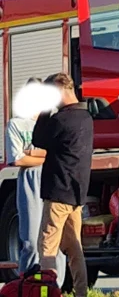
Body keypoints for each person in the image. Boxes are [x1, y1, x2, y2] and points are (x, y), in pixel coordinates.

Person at [32, 73, 94, 297]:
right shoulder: (86, 117)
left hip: (58, 192)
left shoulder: (61, 120)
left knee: (47, 246)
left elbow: (38, 138)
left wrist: (45, 109)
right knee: (74, 247)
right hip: (76, 194)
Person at [4, 79, 66, 281]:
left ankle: (55, 287)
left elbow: (61, 153)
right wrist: (45, 155)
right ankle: (28, 285)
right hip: (30, 183)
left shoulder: (54, 122)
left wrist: (36, 153)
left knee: (54, 237)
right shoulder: (16, 124)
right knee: (30, 239)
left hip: (52, 179)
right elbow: (18, 159)